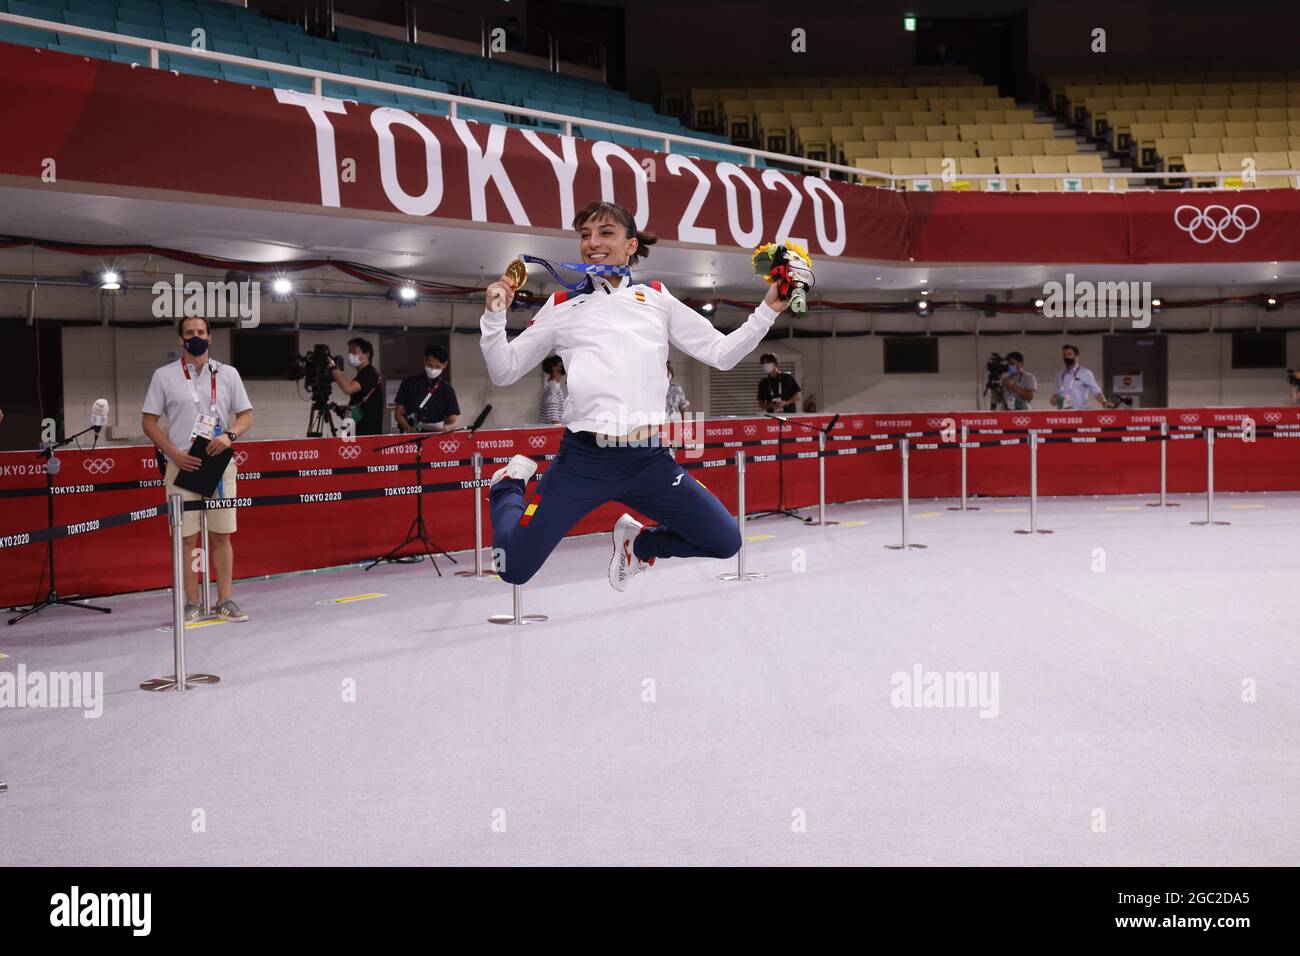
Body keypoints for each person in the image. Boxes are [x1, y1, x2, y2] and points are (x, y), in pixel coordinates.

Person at [479, 199, 793, 591]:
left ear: (631, 246)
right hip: (583, 461)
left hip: (649, 460)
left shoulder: (657, 297)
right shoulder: (562, 306)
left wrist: (768, 310)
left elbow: (722, 354)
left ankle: (639, 543)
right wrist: (494, 318)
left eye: (606, 233)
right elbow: (504, 370)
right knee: (513, 568)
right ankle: (507, 485)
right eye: (585, 235)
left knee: (724, 540)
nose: (592, 242)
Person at [141, 316, 253, 623]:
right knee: (186, 539)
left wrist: (228, 436)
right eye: (190, 333)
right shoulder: (164, 376)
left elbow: (246, 416)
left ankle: (225, 600)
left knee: (221, 535)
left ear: (210, 337)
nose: (196, 337)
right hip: (181, 465)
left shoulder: (228, 373)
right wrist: (174, 453)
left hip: (220, 465)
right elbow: (148, 422)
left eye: (201, 332)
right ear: (181, 339)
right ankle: (191, 603)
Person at [395, 344, 460, 433]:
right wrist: (409, 430)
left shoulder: (447, 390)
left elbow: (454, 420)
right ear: (425, 361)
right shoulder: (408, 384)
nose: (433, 369)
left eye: (437, 367)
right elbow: (398, 414)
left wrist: (448, 428)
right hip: (410, 437)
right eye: (430, 365)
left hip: (436, 438)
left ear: (445, 365)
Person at [328, 337, 384, 435]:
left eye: (354, 351)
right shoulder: (363, 374)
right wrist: (346, 409)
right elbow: (364, 404)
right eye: (349, 352)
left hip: (366, 434)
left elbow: (348, 388)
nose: (351, 355)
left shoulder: (369, 373)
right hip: (358, 430)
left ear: (366, 355)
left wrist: (333, 367)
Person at [1051, 344, 1112, 409]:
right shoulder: (1059, 374)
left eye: (1069, 354)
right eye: (1064, 355)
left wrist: (1104, 403)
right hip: (1062, 413)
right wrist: (1053, 399)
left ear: (1076, 356)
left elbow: (1096, 391)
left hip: (1079, 413)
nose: (1066, 357)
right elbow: (1056, 394)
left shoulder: (1085, 373)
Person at [539, 355, 566, 425]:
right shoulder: (553, 387)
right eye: (562, 364)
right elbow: (553, 415)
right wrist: (559, 431)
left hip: (549, 430)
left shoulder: (553, 385)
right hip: (550, 432)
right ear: (554, 367)